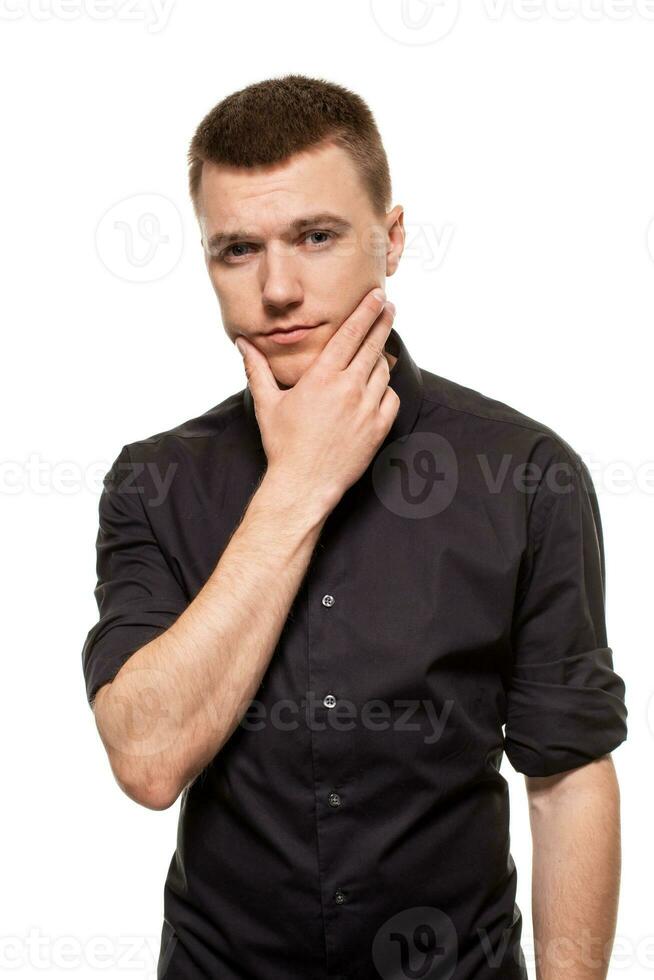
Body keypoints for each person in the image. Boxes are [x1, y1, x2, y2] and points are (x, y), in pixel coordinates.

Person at [81, 74, 628, 980]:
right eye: (236, 250)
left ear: (393, 238)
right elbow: (146, 757)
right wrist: (299, 483)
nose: (279, 288)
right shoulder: (155, 481)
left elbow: (567, 778)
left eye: (316, 236)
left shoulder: (525, 472)